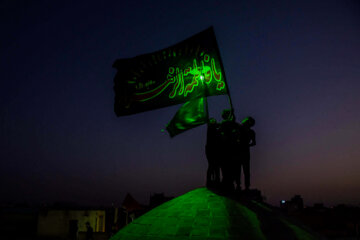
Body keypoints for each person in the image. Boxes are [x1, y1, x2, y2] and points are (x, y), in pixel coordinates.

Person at [219, 109, 241, 192]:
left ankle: (235, 184)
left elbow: (238, 134)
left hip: (234, 148)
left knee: (234, 167)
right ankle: (227, 184)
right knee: (226, 167)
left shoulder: (235, 125)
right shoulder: (224, 124)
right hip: (226, 148)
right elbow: (221, 135)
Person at [238, 116, 256, 191]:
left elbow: (254, 143)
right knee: (239, 169)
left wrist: (246, 145)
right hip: (240, 150)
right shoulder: (240, 128)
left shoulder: (250, 132)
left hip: (243, 150)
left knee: (245, 169)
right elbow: (254, 143)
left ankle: (245, 186)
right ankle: (240, 185)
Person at [205, 118, 221, 188]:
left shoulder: (215, 129)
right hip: (210, 149)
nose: (214, 121)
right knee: (212, 165)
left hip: (216, 149)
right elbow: (219, 125)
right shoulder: (211, 128)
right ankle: (209, 181)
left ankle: (216, 180)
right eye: (212, 121)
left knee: (216, 166)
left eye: (214, 120)